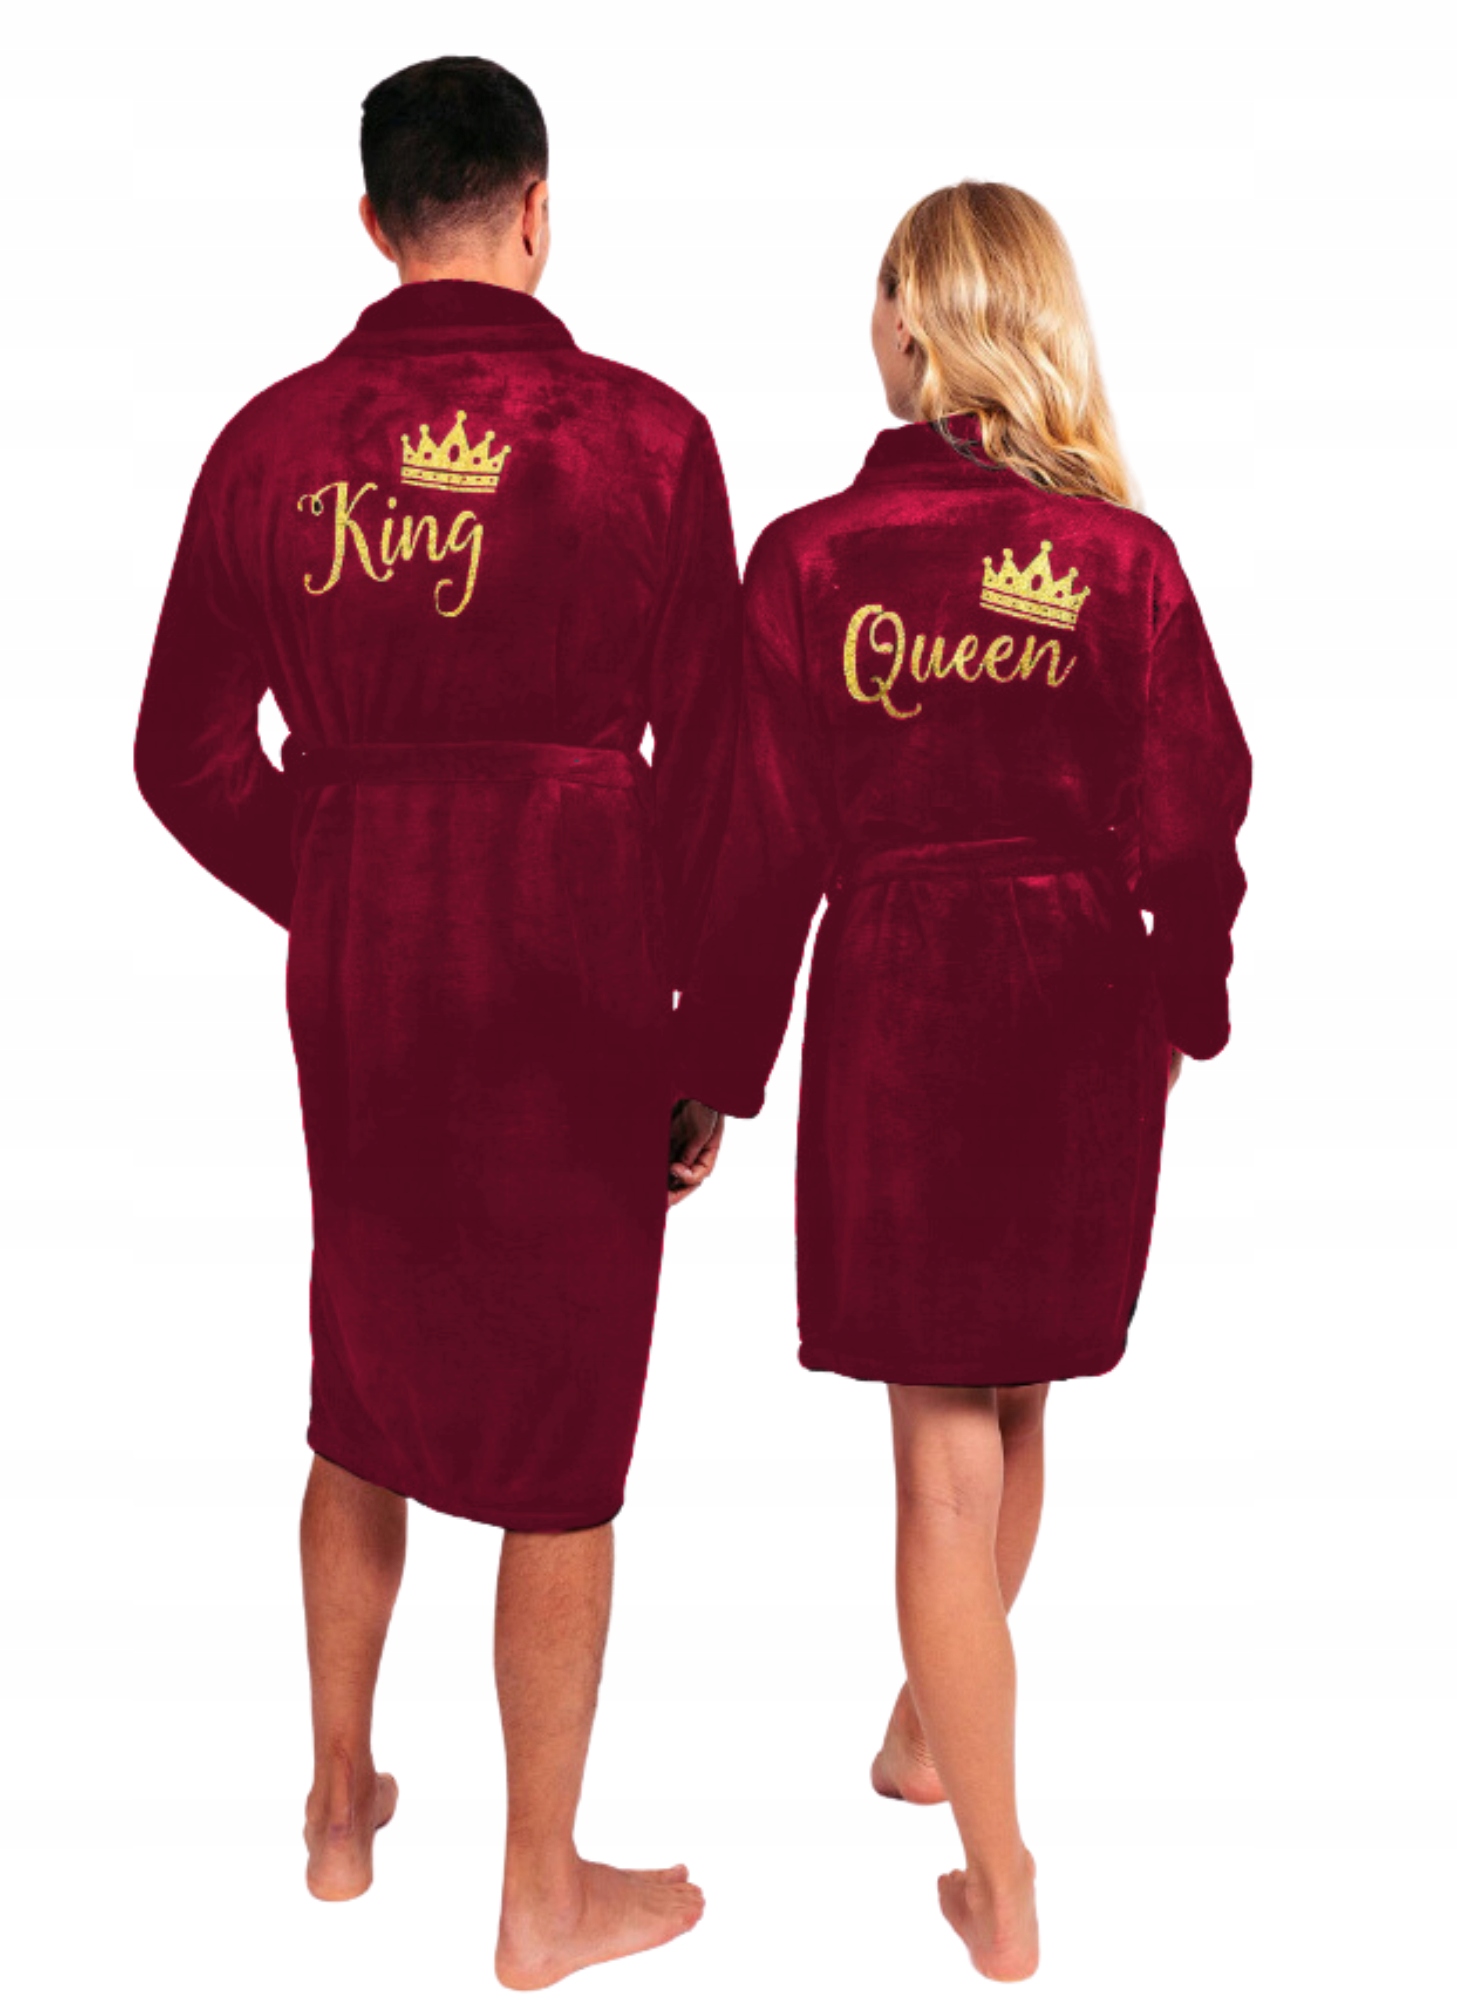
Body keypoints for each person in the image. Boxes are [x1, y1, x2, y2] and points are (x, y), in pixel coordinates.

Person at [134, 55, 736, 1988]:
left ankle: (336, 1813)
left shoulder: (270, 444)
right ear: (538, 209)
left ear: (375, 221)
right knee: (565, 1427)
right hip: (583, 971)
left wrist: (344, 880)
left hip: (367, 984)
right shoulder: (647, 440)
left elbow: (178, 755)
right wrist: (708, 1048)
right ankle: (539, 1893)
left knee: (361, 1377)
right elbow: (724, 780)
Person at [671, 181, 1252, 1980]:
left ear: (914, 322)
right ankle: (934, 1729)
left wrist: (711, 1073)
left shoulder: (810, 561)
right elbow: (1200, 820)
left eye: (880, 300)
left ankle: (999, 1888)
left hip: (909, 1005)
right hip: (1079, 1004)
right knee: (1016, 1411)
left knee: (938, 1462)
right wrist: (1181, 1012)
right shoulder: (1125, 565)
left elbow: (754, 849)